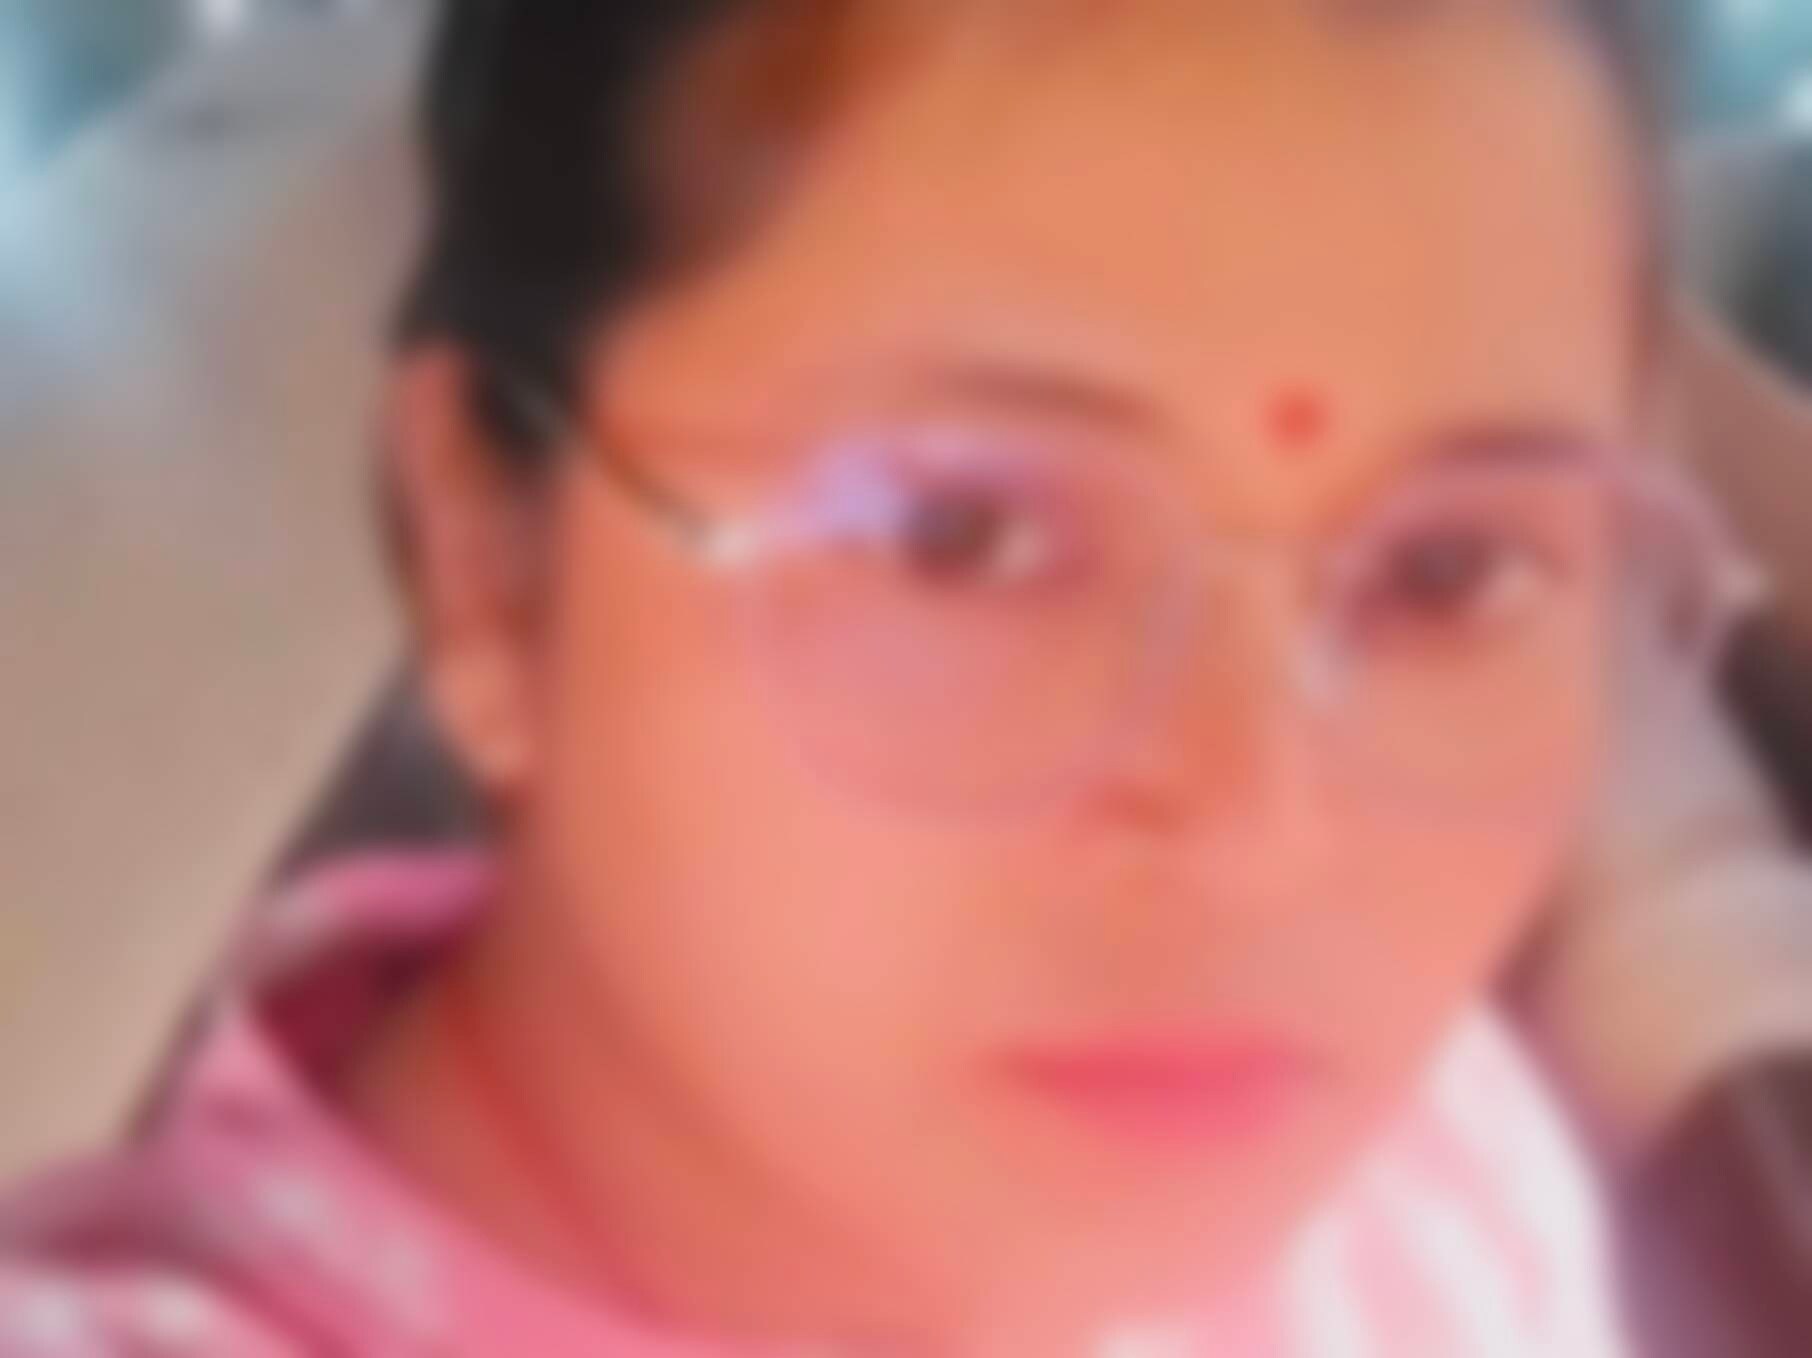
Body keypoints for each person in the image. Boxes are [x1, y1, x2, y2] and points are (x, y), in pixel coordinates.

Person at [0, 1, 1750, 1353]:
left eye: (1450, 573)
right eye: (962, 535)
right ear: (485, 553)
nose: (1266, 836)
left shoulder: (1433, 1175)